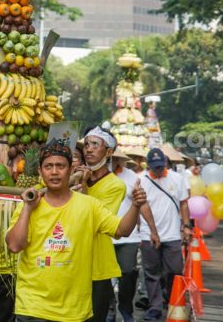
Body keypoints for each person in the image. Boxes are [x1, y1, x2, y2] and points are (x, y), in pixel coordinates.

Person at [6, 139, 147, 322]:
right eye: (48, 167)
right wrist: (27, 208)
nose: (55, 172)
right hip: (33, 308)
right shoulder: (29, 205)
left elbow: (122, 230)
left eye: (60, 166)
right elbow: (15, 246)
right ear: (40, 172)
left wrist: (135, 206)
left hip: (75, 311)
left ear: (71, 170)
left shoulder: (89, 205)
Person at [79, 126, 126, 322]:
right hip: (71, 260)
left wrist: (82, 186)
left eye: (95, 145)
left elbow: (93, 219)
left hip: (98, 264)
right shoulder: (75, 175)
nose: (88, 149)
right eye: (86, 144)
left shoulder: (115, 185)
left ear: (108, 152)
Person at [138, 148, 191, 321]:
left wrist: (186, 226)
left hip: (172, 234)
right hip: (148, 234)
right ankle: (154, 307)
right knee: (151, 272)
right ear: (148, 165)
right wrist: (139, 231)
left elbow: (183, 204)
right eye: (155, 167)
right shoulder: (141, 180)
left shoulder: (177, 179)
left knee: (175, 270)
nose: (158, 170)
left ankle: (170, 298)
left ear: (166, 164)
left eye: (161, 166)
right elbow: (137, 208)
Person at [109, 149, 160, 322]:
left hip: (127, 237)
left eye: (115, 158)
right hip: (103, 235)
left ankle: (125, 308)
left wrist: (153, 230)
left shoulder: (131, 176)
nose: (112, 161)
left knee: (128, 273)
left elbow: (142, 204)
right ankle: (109, 311)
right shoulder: (93, 176)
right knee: (103, 277)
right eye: (110, 158)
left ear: (120, 160)